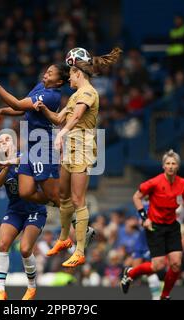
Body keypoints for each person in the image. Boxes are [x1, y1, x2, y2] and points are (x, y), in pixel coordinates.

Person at [0, 64, 96, 246]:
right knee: (25, 192)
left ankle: (83, 226)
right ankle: (59, 202)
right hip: (30, 148)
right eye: (47, 70)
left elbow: (18, 104)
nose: (46, 73)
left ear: (58, 81)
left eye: (50, 73)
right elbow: (21, 108)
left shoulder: (51, 96)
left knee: (54, 196)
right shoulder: (41, 87)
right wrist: (3, 111)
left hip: (43, 148)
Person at [35, 47, 122, 267]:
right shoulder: (75, 95)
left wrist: (62, 133)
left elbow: (76, 117)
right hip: (71, 146)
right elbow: (58, 118)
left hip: (82, 146)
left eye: (70, 75)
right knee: (63, 195)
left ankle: (80, 249)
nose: (68, 80)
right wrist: (43, 108)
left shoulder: (88, 93)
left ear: (77, 73)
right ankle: (64, 239)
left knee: (77, 199)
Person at [120, 149, 184, 299]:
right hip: (155, 227)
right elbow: (136, 197)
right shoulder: (154, 182)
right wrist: (144, 217)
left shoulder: (182, 183)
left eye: (173, 163)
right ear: (163, 166)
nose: (170, 166)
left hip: (172, 226)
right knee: (158, 266)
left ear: (177, 166)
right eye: (168, 163)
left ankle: (164, 296)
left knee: (176, 265)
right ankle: (130, 273)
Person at [0, 130, 47, 300]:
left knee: (25, 248)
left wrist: (12, 161)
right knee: (2, 245)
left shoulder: (25, 156)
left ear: (15, 142)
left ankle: (31, 287)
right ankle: (1, 291)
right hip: (15, 210)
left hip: (35, 210)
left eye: (7, 139)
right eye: (0, 141)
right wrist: (6, 165)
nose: (4, 143)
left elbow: (30, 161)